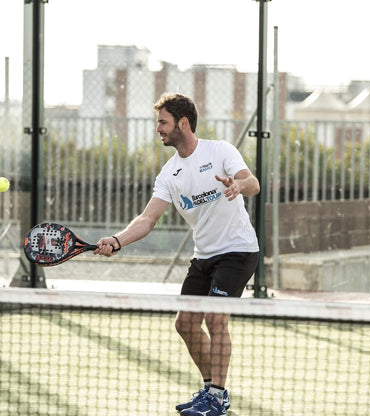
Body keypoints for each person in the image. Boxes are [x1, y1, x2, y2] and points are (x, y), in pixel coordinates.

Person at [94, 92, 260, 416]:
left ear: (182, 123)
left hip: (238, 251)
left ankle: (215, 397)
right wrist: (117, 240)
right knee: (185, 324)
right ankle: (213, 390)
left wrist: (239, 186)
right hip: (204, 255)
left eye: (163, 122)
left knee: (215, 318)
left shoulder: (220, 150)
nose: (158, 128)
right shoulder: (169, 173)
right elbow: (147, 219)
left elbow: (252, 182)